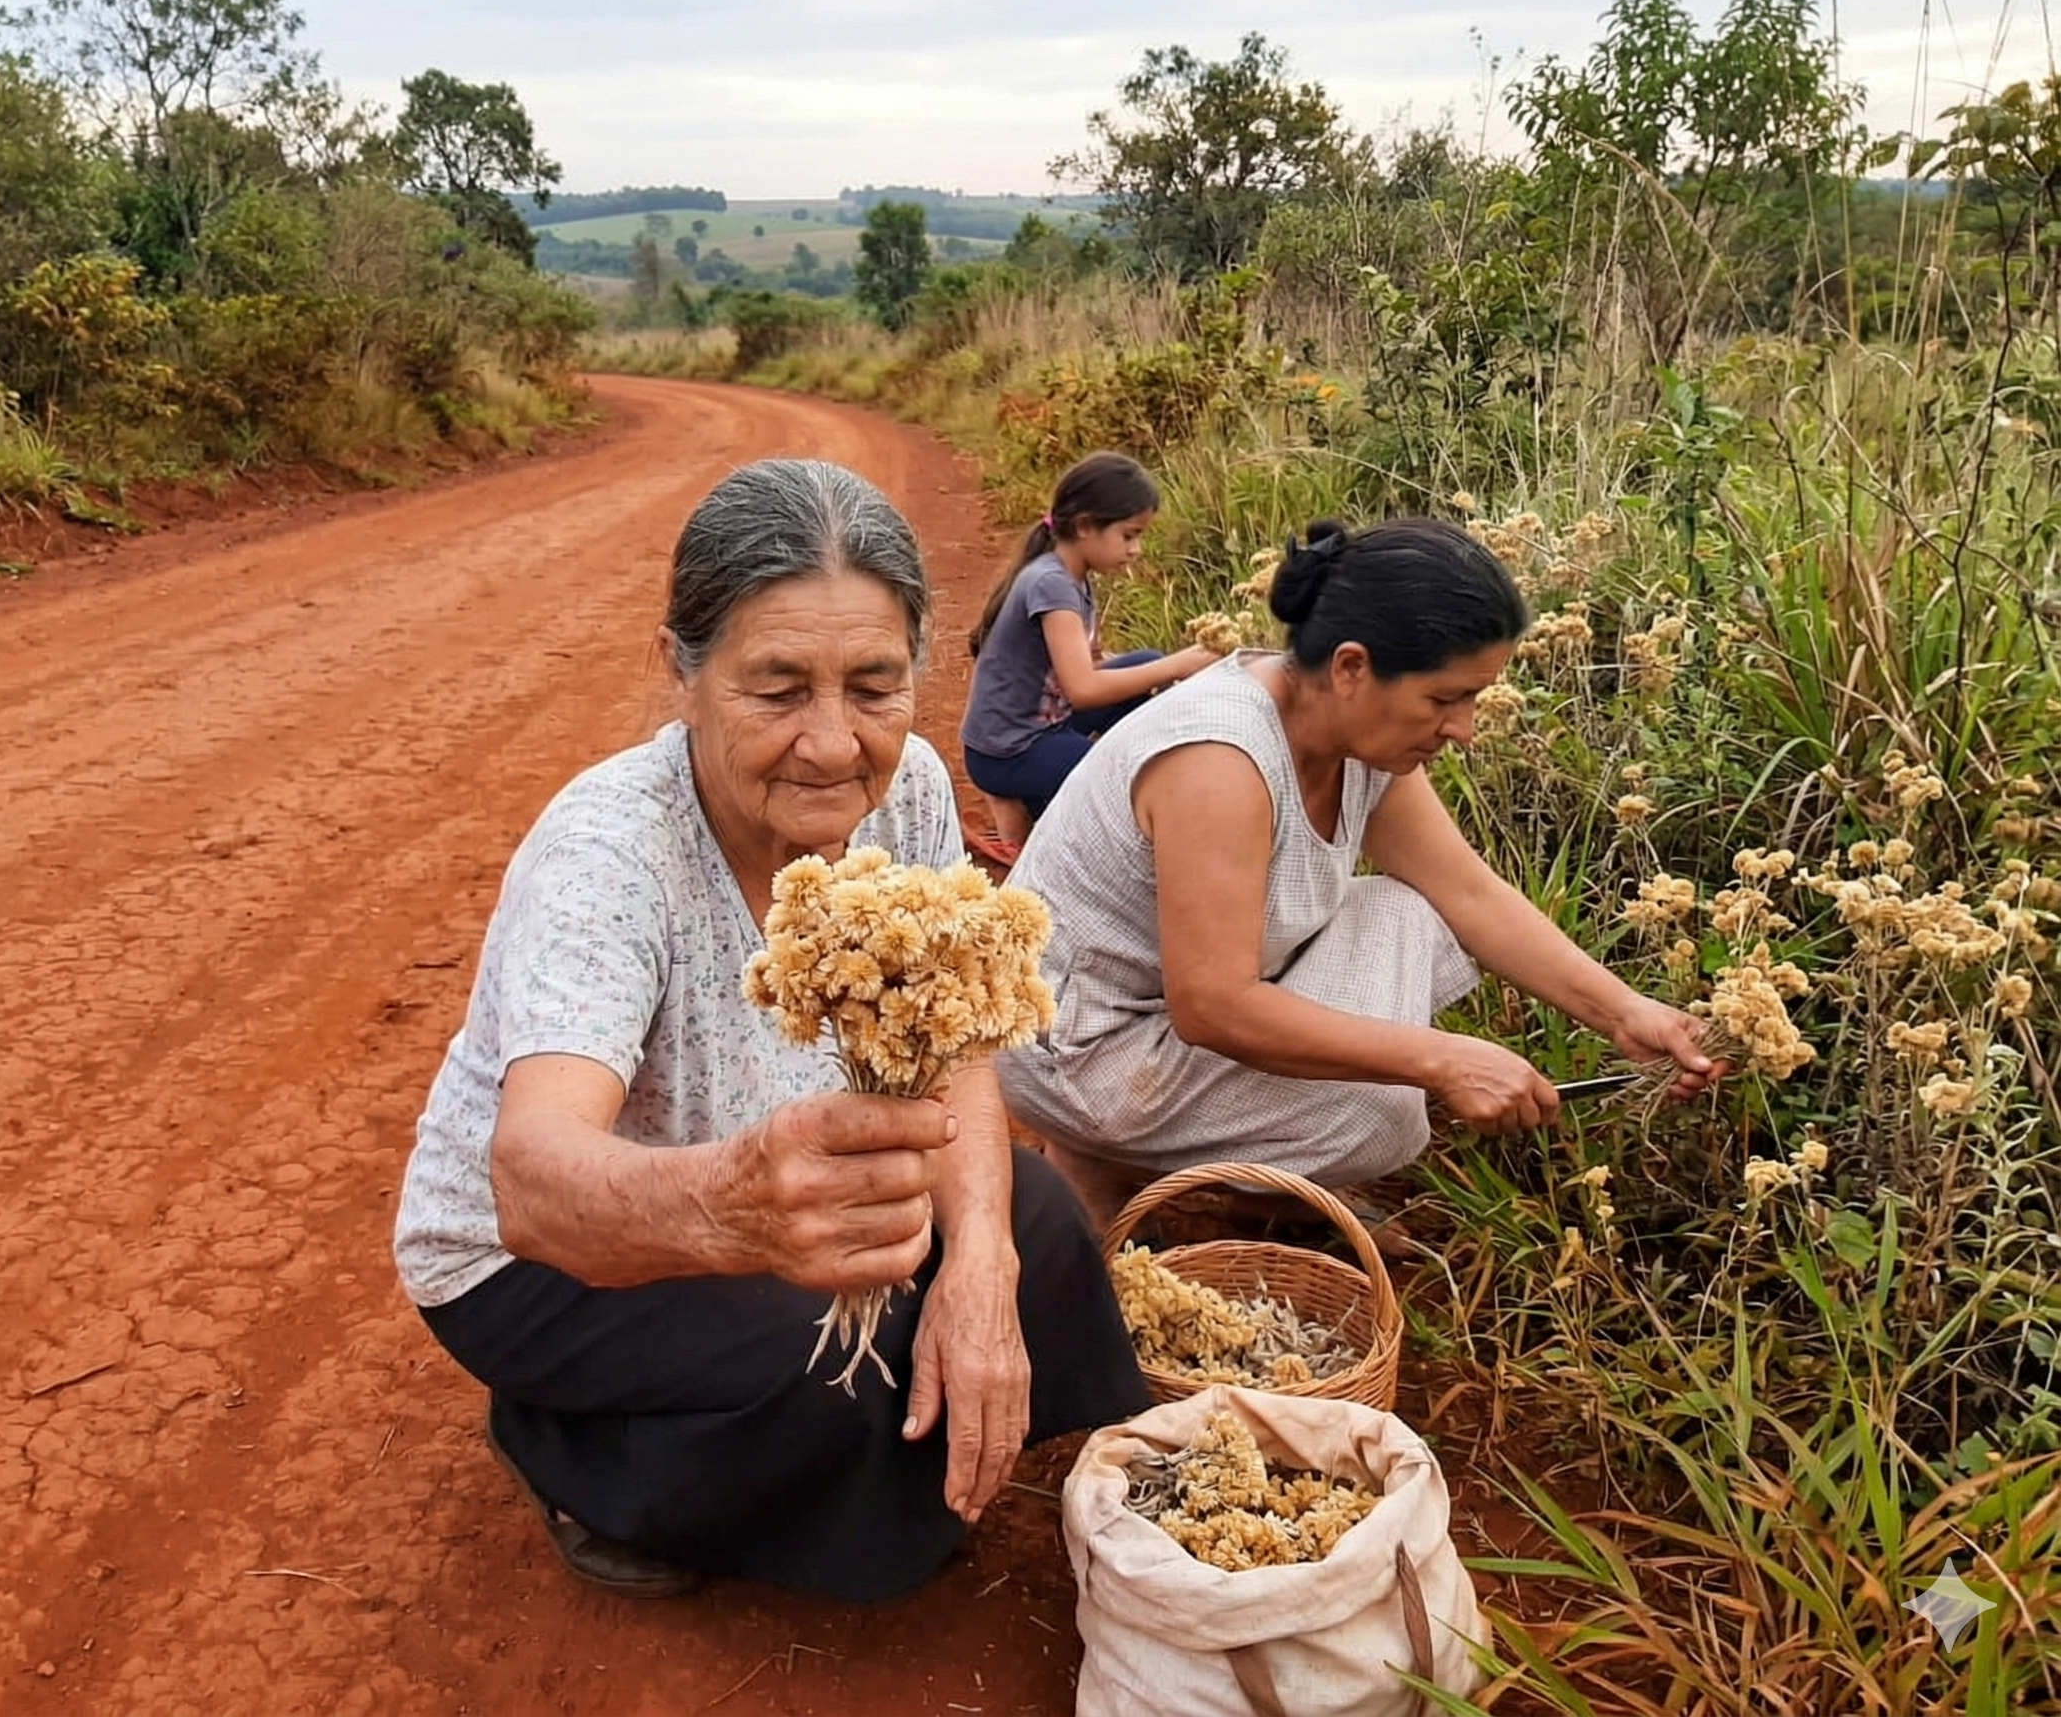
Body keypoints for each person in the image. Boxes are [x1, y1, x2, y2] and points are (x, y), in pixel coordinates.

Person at [393, 458, 1147, 1604]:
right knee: (827, 1359)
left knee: (1030, 1218)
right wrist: (733, 1204)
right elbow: (531, 1179)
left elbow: (959, 1049)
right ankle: (575, 1457)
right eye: (778, 687)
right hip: (529, 1261)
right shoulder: (611, 854)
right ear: (681, 674)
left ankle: (888, 1434)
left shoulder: (913, 793)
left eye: (875, 686)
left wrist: (978, 1269)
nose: (835, 746)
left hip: (765, 1190)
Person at [997, 517, 1724, 1224]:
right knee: (1382, 1116)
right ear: (1351, 667)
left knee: (1415, 913)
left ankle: (1243, 1168)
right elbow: (1212, 1005)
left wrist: (1629, 1013)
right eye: (1445, 699)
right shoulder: (1218, 761)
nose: (1465, 729)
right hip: (1082, 1052)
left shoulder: (1356, 738)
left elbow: (1469, 893)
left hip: (1168, 1019)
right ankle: (1109, 1153)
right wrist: (1442, 1061)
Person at [960, 452, 1219, 844]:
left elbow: (1091, 665)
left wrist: (1166, 667)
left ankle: (1045, 798)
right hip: (1007, 750)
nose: (1137, 550)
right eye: (1129, 535)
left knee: (1147, 665)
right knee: (1101, 771)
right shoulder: (1052, 584)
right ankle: (1029, 804)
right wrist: (1179, 665)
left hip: (1042, 724)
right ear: (1084, 526)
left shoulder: (1072, 576)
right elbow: (1084, 689)